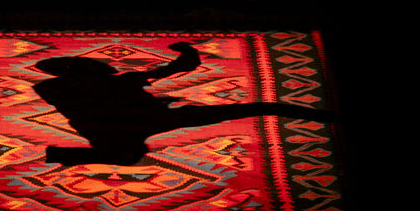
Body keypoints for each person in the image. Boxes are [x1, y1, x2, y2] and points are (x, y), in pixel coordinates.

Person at [33, 41, 337, 165]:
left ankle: (328, 117)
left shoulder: (56, 89)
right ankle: (329, 117)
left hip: (138, 123)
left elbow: (172, 71)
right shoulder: (65, 88)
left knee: (260, 108)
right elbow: (170, 72)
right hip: (142, 121)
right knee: (260, 108)